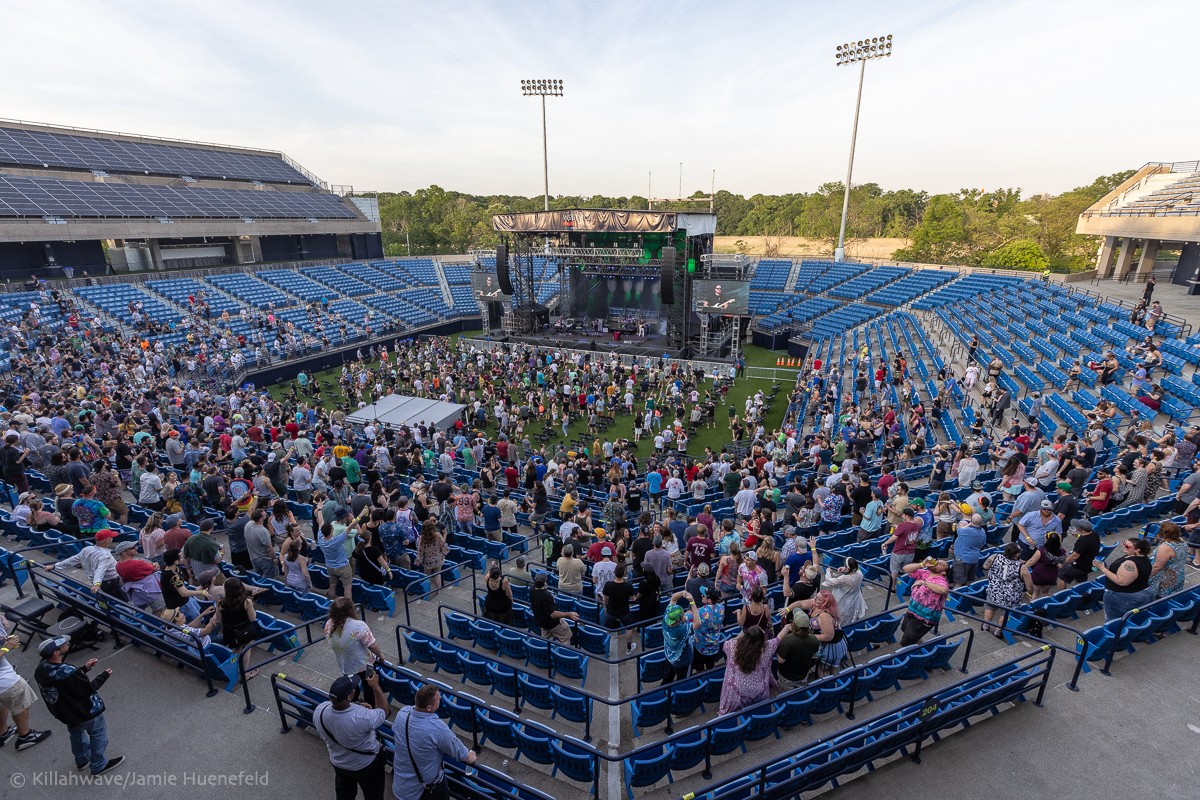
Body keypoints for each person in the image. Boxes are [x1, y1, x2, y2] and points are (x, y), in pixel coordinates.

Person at [34, 635, 123, 776]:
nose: (67, 643)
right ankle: (99, 764)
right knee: (98, 734)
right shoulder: (68, 672)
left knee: (76, 733)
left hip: (67, 713)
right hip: (85, 711)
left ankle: (82, 759)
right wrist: (104, 675)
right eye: (63, 644)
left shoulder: (41, 669)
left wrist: (84, 668)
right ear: (56, 652)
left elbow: (67, 682)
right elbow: (87, 689)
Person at [391, 685, 477, 800]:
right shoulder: (438, 729)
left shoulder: (402, 713)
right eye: (438, 698)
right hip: (426, 791)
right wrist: (470, 755)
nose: (441, 698)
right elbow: (462, 755)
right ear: (429, 708)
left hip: (401, 786)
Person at [313, 674, 389, 800]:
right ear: (349, 696)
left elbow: (342, 716)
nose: (355, 688)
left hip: (339, 763)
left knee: (344, 795)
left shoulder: (319, 710)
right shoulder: (362, 717)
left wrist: (357, 707)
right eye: (353, 687)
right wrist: (375, 686)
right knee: (374, 794)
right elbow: (383, 711)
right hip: (366, 766)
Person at [195, 576, 261, 679]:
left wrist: (212, 621)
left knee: (236, 649)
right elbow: (252, 618)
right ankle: (245, 673)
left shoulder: (220, 602)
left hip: (229, 631)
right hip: (244, 631)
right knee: (246, 649)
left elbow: (218, 618)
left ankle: (230, 669)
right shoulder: (246, 601)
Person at [0, 623, 52, 751]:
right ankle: (25, 736)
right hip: (5, 683)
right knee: (20, 705)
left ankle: (3, 732)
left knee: (2, 705)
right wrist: (6, 648)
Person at [325, 598, 385, 707]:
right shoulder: (358, 626)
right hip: (365, 664)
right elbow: (372, 646)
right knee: (369, 686)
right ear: (350, 610)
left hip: (345, 664)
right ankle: (369, 707)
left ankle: (353, 703)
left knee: (351, 685)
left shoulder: (328, 624)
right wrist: (380, 655)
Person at [718, 625, 781, 715]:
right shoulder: (767, 648)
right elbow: (778, 639)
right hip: (759, 692)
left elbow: (726, 644)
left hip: (736, 693)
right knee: (759, 712)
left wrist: (742, 636)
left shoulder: (732, 646)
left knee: (725, 715)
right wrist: (786, 628)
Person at [49, 528, 122, 598]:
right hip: (111, 583)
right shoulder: (105, 555)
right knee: (120, 600)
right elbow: (100, 570)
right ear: (106, 540)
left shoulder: (87, 549)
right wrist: (96, 584)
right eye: (111, 537)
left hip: (100, 581)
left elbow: (72, 560)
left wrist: (55, 566)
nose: (112, 538)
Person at [1096, 538, 1154, 621]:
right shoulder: (1141, 557)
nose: (1124, 547)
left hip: (1123, 596)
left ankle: (1115, 633)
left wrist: (1102, 568)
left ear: (1137, 550)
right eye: (1124, 544)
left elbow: (1122, 582)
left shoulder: (1130, 564)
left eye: (1127, 546)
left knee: (1115, 620)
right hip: (1141, 592)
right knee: (1136, 618)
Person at [898, 559, 950, 646]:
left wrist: (924, 583)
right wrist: (922, 564)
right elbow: (905, 569)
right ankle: (918, 643)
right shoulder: (925, 573)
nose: (937, 562)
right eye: (937, 561)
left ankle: (912, 654)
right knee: (904, 628)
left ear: (943, 572)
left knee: (906, 642)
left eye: (941, 564)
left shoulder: (940, 580)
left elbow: (944, 590)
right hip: (912, 610)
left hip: (924, 618)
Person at [775, 609, 819, 690]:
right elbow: (814, 655)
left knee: (786, 697)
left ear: (794, 624)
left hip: (787, 677)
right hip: (803, 675)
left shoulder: (787, 640)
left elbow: (780, 660)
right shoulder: (814, 639)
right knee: (799, 695)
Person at [601, 563, 639, 654]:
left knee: (607, 630)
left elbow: (604, 598)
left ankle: (606, 648)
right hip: (624, 611)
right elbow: (632, 598)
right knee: (628, 628)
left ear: (615, 573)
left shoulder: (608, 584)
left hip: (611, 611)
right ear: (624, 573)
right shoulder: (628, 586)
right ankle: (628, 649)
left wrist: (605, 607)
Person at [529, 574, 578, 645]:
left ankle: (545, 652)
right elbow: (553, 614)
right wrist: (568, 614)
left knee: (546, 640)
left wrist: (543, 588)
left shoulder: (531, 589)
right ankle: (564, 654)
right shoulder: (546, 595)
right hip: (553, 623)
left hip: (541, 622)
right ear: (545, 582)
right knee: (566, 637)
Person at [660, 592, 695, 683]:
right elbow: (698, 623)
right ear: (680, 619)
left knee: (667, 679)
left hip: (670, 656)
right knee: (683, 683)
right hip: (682, 662)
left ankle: (665, 694)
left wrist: (683, 593)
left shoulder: (666, 617)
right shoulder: (682, 629)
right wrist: (692, 602)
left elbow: (673, 598)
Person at [1056, 518, 1101, 588]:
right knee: (1080, 579)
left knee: (1061, 576)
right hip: (1090, 564)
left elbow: (1074, 556)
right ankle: (1080, 592)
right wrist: (1077, 535)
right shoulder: (1094, 533)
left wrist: (1063, 563)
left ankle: (1061, 598)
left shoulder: (1082, 541)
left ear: (1082, 530)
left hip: (1081, 566)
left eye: (1077, 527)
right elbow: (1088, 540)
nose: (1075, 527)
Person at [821, 557, 867, 624]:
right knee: (851, 614)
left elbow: (829, 582)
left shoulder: (844, 579)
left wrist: (828, 572)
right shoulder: (860, 573)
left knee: (840, 616)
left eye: (845, 566)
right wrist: (845, 569)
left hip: (843, 599)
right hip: (855, 598)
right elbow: (856, 570)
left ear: (848, 568)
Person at [689, 587, 725, 673]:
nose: (701, 596)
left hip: (700, 647)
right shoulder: (721, 608)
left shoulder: (701, 612)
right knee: (710, 666)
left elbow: (685, 618)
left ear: (709, 600)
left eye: (704, 595)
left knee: (699, 670)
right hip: (714, 645)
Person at [1147, 522, 1187, 598]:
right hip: (1178, 575)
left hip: (1165, 579)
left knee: (1159, 599)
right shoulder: (1182, 541)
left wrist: (1146, 577)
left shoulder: (1165, 547)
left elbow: (1157, 567)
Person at [1023, 531, 1067, 599]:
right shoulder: (1063, 552)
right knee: (1045, 592)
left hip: (1039, 574)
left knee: (1036, 593)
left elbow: (1031, 561)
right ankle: (1046, 606)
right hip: (1052, 574)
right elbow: (1063, 563)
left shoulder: (1042, 550)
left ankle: (1033, 607)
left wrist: (1023, 568)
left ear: (1047, 540)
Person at [951, 514, 987, 586]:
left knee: (959, 582)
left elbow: (958, 529)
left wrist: (969, 524)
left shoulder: (965, 531)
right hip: (974, 558)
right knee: (969, 580)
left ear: (971, 521)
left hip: (961, 558)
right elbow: (983, 544)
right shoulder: (983, 531)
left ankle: (956, 593)